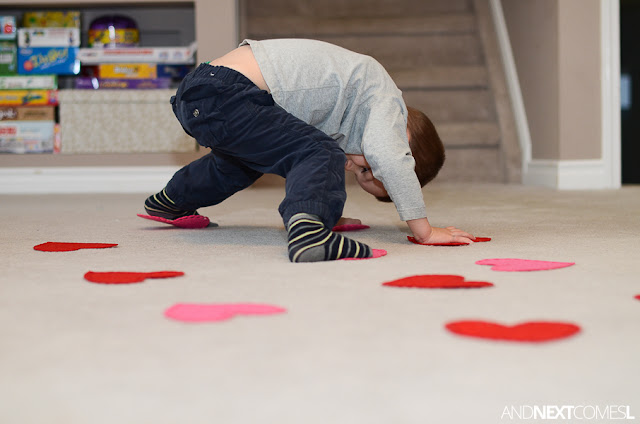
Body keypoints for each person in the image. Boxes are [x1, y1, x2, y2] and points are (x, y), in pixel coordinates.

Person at [143, 38, 474, 262]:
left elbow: (306, 170)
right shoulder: (385, 98)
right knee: (321, 152)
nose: (353, 167)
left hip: (199, 93)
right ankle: (309, 235)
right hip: (230, 91)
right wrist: (425, 231)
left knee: (240, 163)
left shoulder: (345, 102)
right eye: (366, 168)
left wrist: (328, 209)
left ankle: (172, 201)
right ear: (405, 141)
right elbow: (388, 155)